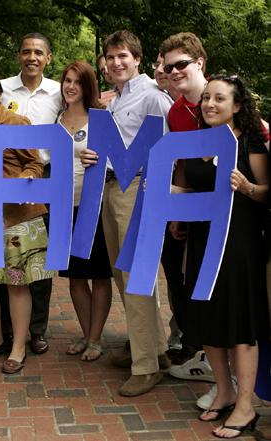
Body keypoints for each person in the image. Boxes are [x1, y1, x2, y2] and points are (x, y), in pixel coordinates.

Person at [172, 74, 269, 439]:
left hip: (240, 245)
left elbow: (266, 192)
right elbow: (185, 187)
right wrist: (167, 201)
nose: (210, 104)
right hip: (200, 241)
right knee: (207, 317)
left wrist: (247, 187)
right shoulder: (196, 142)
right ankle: (224, 391)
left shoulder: (252, 142)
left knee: (240, 323)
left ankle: (245, 407)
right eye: (207, 98)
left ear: (237, 106)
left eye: (220, 99)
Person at [81, 30, 173, 396]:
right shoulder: (117, 99)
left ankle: (146, 367)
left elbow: (167, 152)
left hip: (137, 189)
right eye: (111, 57)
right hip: (111, 187)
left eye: (123, 56)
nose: (116, 62)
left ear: (137, 58)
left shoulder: (153, 97)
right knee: (123, 275)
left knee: (136, 276)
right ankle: (155, 349)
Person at [0, 71, 55, 373]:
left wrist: (25, 179)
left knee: (17, 284)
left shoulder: (17, 124)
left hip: (17, 216)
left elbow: (35, 162)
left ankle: (18, 347)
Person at [159, 33, 218, 399]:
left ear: (200, 63)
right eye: (168, 67)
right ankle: (204, 356)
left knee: (224, 291)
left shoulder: (225, 97)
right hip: (195, 212)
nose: (175, 71)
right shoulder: (177, 111)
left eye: (182, 63)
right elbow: (180, 163)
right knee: (193, 283)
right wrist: (177, 213)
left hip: (232, 214)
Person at [0, 32, 62, 355]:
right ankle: (9, 329)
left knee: (39, 257)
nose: (32, 57)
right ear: (18, 55)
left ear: (48, 58)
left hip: (44, 178)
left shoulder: (58, 92)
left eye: (39, 52)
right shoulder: (3, 89)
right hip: (7, 178)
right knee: (7, 253)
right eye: (26, 51)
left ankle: (37, 329)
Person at [57, 61, 113, 361]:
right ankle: (86, 333)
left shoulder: (101, 118)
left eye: (77, 81)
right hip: (66, 207)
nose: (71, 86)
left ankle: (95, 339)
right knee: (76, 277)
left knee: (99, 275)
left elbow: (119, 158)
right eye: (67, 80)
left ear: (88, 85)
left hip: (96, 205)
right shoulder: (57, 118)